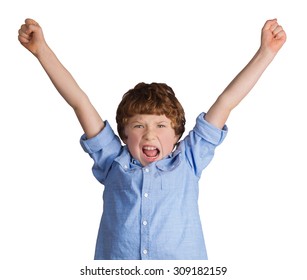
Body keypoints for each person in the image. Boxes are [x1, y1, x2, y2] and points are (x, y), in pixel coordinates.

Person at [18, 18, 286, 260]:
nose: (149, 134)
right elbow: (79, 102)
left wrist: (266, 53)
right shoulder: (113, 161)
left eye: (160, 125)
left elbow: (226, 102)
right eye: (138, 125)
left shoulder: (189, 160)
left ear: (177, 134)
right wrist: (42, 51)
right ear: (124, 133)